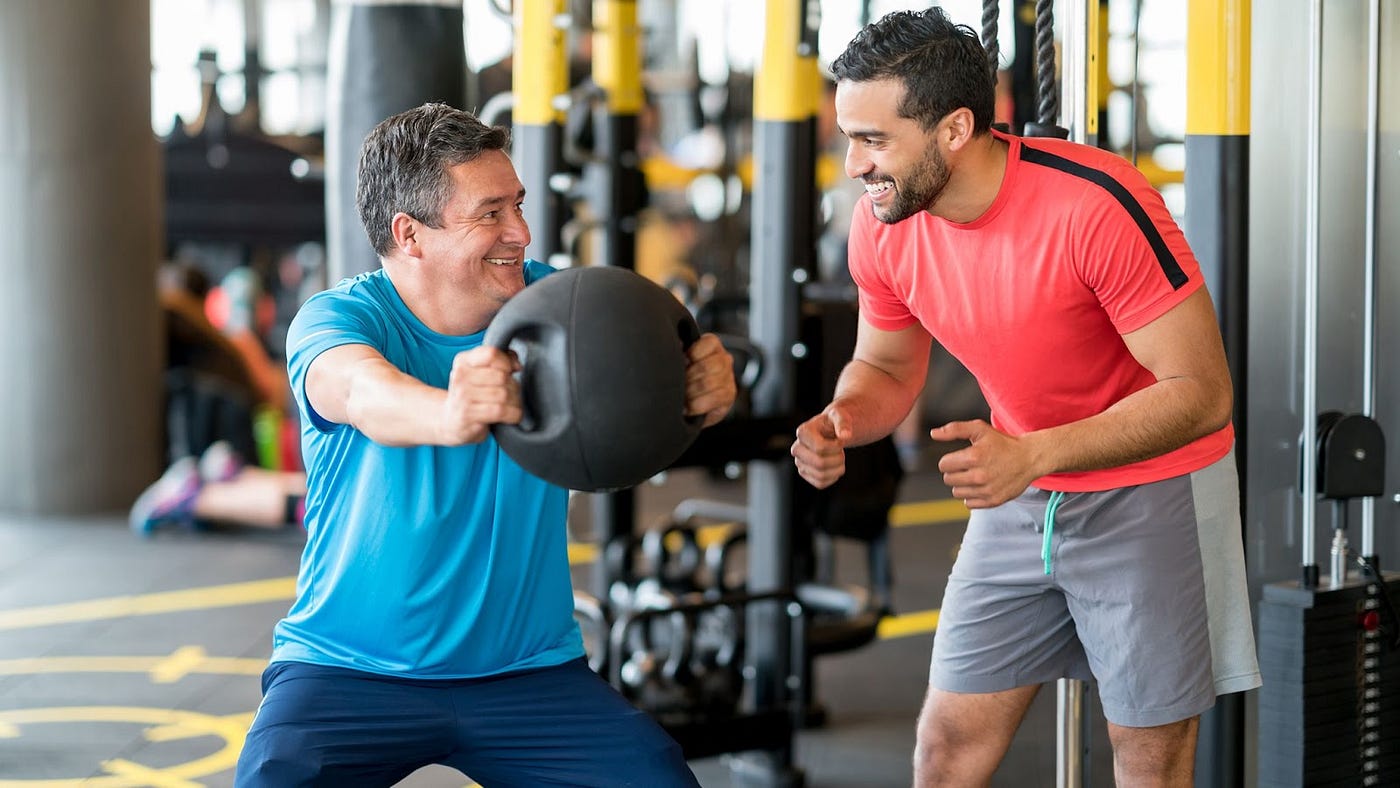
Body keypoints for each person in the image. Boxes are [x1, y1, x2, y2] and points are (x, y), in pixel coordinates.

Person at [790, 9, 1260, 787]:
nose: (852, 165)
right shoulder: (885, 221)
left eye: (873, 140)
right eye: (848, 137)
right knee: (947, 747)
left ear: (954, 129)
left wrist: (1035, 453)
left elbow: (1202, 393)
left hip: (1152, 487)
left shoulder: (1096, 204)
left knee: (1148, 755)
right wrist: (842, 419)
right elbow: (884, 366)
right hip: (1021, 489)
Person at [233, 102, 735, 786]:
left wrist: (698, 389)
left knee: (656, 778)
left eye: (517, 205)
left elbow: (650, 386)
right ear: (410, 234)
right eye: (490, 213)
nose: (520, 232)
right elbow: (360, 392)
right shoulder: (341, 317)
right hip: (349, 670)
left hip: (528, 675)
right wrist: (452, 413)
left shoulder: (559, 309)